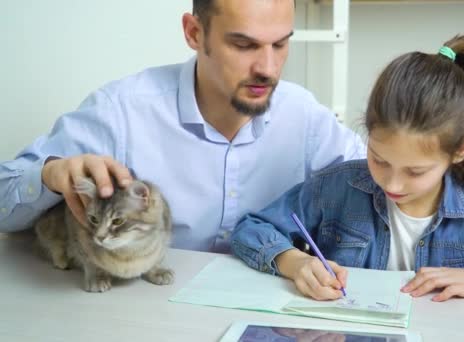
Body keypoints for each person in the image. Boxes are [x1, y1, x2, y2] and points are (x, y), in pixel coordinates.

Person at [230, 35, 464, 302]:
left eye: (415, 171)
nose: (392, 182)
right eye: (379, 158)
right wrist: (293, 262)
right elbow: (252, 227)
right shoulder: (337, 188)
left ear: (461, 151)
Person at [0, 0, 365, 253]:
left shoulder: (303, 115)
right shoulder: (122, 111)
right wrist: (50, 175)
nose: (268, 69)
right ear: (193, 33)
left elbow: (391, 182)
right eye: (243, 44)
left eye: (280, 44)